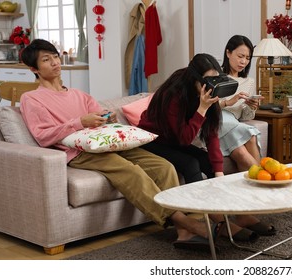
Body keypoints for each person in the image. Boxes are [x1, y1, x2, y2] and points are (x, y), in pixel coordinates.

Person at [19, 39, 214, 252]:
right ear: (34, 69)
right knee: (131, 172)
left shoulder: (79, 94)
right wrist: (79, 122)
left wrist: (108, 118)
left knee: (163, 167)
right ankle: (186, 223)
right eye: (46, 60)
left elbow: (102, 117)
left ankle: (183, 232)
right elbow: (42, 135)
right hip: (78, 152)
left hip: (108, 142)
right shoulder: (32, 99)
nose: (55, 62)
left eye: (56, 56)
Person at [138, 53, 271, 241]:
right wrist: (202, 108)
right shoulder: (174, 93)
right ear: (195, 78)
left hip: (174, 139)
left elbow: (212, 134)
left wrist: (218, 174)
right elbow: (184, 139)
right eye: (207, 81)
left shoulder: (210, 90)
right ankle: (219, 221)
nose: (211, 86)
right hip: (152, 140)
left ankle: (240, 216)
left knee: (208, 161)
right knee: (191, 163)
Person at [219, 35, 275, 235]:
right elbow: (207, 106)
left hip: (234, 123)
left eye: (247, 58)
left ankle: (247, 210)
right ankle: (264, 188)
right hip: (217, 119)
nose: (243, 61)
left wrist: (252, 107)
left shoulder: (249, 82)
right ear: (228, 53)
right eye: (240, 56)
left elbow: (245, 116)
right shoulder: (216, 76)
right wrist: (230, 101)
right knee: (246, 141)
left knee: (249, 132)